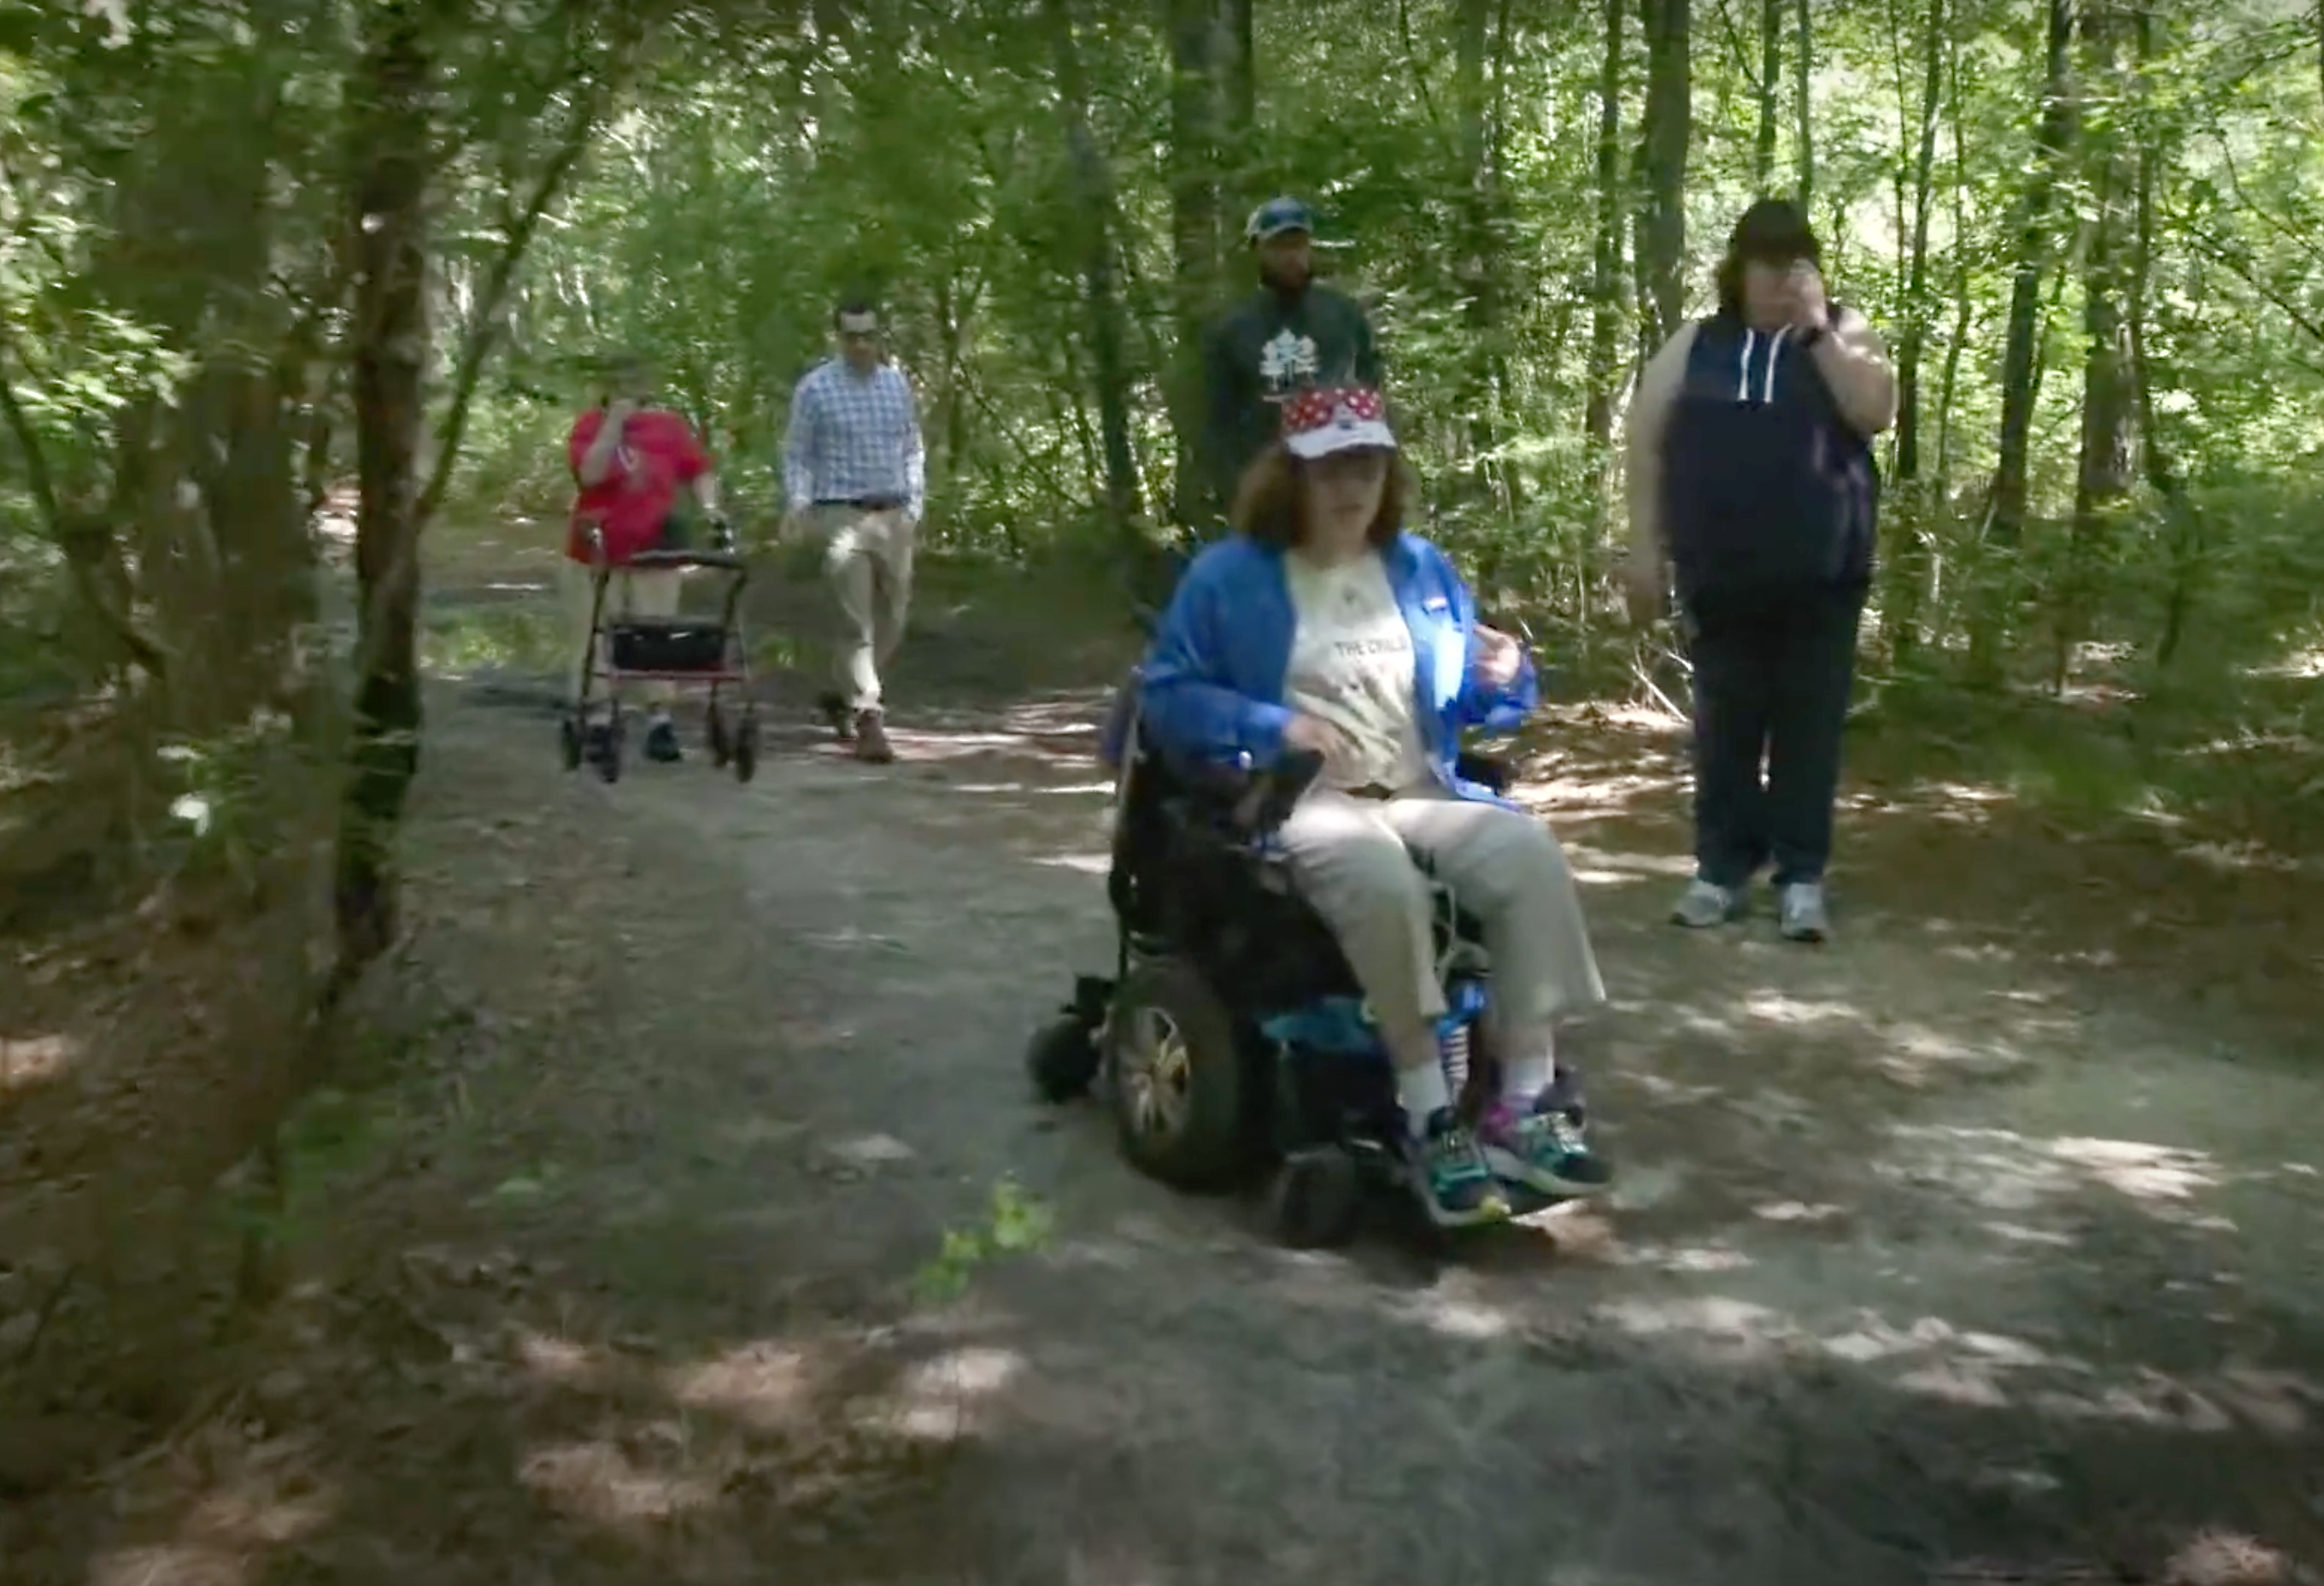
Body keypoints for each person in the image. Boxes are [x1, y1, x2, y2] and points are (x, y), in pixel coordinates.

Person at [1138, 385, 1611, 1230]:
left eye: (1367, 465)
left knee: (1526, 853)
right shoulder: (1230, 575)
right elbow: (1167, 696)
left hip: (1419, 787)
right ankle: (1429, 1115)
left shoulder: (1419, 568)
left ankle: (1521, 1108)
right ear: (1292, 475)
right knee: (1378, 876)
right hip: (1301, 798)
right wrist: (1273, 722)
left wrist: (1509, 677)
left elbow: (1471, 699)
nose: (1350, 486)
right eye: (1330, 469)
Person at [1622, 197, 1897, 943]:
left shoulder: (1843, 333)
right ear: (1737, 272)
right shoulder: (1697, 343)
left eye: (1796, 265)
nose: (1781, 280)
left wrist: (1817, 333)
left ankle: (1802, 877)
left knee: (1809, 729)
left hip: (1823, 576)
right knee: (1726, 727)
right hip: (1722, 575)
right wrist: (1639, 546)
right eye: (1766, 266)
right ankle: (1720, 870)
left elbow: (1875, 412)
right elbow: (1644, 441)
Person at [780, 297, 927, 765]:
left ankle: (840, 692)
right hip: (839, 514)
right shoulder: (816, 389)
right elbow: (798, 453)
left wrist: (915, 504)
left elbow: (911, 448)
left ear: (881, 336)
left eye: (869, 335)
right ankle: (870, 717)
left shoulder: (896, 385)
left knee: (894, 619)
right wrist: (799, 504)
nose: (861, 344)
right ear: (838, 338)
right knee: (855, 621)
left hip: (893, 515)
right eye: (851, 336)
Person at [565, 351, 721, 765]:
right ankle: (599, 717)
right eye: (619, 380)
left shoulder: (669, 426)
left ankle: (659, 719)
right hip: (597, 549)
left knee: (657, 632)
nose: (630, 387)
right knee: (597, 633)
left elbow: (698, 469)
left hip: (655, 546)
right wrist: (615, 423)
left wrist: (710, 509)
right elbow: (591, 475)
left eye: (637, 378)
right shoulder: (588, 427)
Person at [1195, 197, 1383, 530]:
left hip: (1338, 485)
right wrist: (1236, 490)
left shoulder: (1342, 316)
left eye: (1298, 244)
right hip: (1268, 492)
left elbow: (1373, 396)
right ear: (1258, 250)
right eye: (1279, 246)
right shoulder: (1234, 329)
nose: (1291, 256)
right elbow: (1218, 422)